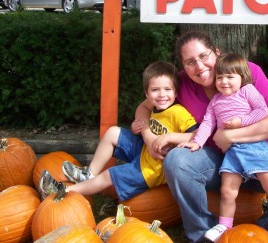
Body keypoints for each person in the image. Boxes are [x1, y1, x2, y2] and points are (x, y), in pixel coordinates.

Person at [133, 31, 268, 243]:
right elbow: (145, 106)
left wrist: (231, 135)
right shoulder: (181, 83)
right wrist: (149, 136)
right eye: (190, 62)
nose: (199, 66)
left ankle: (266, 232)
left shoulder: (247, 71)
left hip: (266, 154)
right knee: (177, 161)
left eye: (203, 56)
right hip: (218, 163)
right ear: (183, 65)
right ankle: (202, 235)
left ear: (217, 52)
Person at [37, 61, 198, 202]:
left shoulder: (178, 113)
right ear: (146, 94)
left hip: (151, 170)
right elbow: (148, 126)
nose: (162, 94)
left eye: (167, 89)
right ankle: (89, 174)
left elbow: (196, 134)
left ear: (176, 93)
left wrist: (171, 138)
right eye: (155, 90)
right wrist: (137, 128)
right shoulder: (154, 109)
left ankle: (61, 193)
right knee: (113, 132)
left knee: (109, 175)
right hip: (144, 153)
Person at [178, 52, 268, 242]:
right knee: (228, 191)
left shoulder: (247, 91)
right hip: (232, 152)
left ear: (242, 78)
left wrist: (241, 122)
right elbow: (207, 123)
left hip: (254, 147)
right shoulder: (215, 101)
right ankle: (224, 224)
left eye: (230, 77)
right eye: (220, 77)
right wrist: (197, 142)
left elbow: (262, 110)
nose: (224, 81)